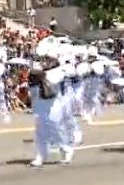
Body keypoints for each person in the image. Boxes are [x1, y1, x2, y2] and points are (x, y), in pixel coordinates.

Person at [28, 37, 72, 166]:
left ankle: (65, 149)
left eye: (48, 59)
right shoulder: (41, 70)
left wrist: (41, 74)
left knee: (55, 127)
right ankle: (41, 155)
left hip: (54, 103)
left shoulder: (61, 70)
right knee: (40, 130)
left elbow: (53, 80)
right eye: (45, 59)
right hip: (41, 103)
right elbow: (33, 87)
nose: (45, 61)